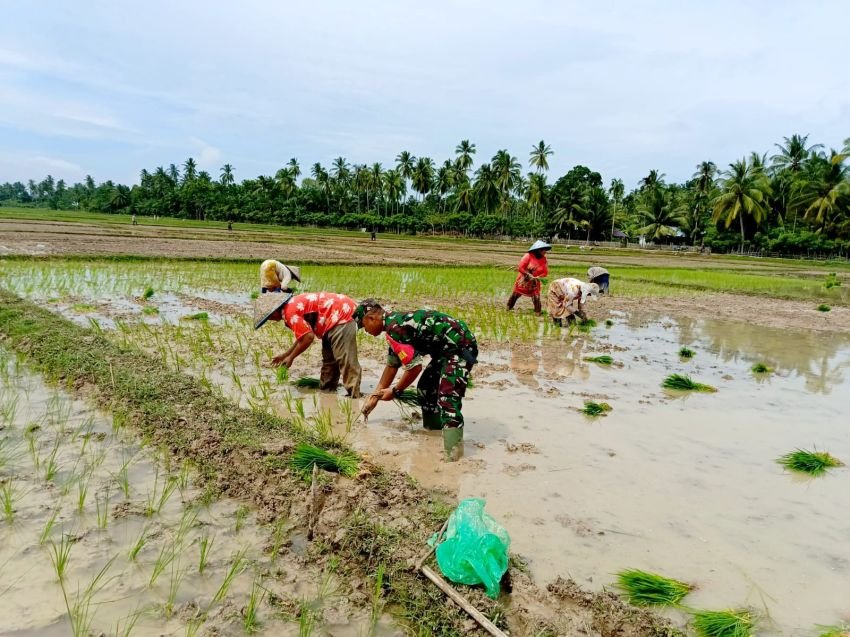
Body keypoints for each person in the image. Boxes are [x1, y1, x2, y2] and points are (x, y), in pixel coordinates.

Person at [355, 299, 477, 460]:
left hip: (459, 347)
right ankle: (433, 431)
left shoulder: (394, 328)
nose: (366, 331)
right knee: (426, 389)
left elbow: (414, 368)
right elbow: (392, 366)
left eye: (364, 326)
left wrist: (395, 391)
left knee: (448, 399)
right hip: (444, 351)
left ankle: (454, 457)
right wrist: (374, 397)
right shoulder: (393, 325)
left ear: (372, 318)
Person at [254, 288, 362, 398]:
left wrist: (291, 357)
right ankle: (327, 392)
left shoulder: (289, 313)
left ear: (274, 311)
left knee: (345, 358)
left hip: (340, 313)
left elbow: (308, 338)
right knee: (329, 360)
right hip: (329, 320)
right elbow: (302, 336)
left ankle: (354, 395)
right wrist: (286, 355)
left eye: (269, 317)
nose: (270, 319)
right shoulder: (290, 307)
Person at [507, 240, 551, 315]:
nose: (545, 251)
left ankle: (538, 312)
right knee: (516, 294)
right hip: (523, 281)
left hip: (534, 282)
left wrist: (539, 277)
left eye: (545, 250)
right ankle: (508, 308)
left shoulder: (543, 259)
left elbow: (545, 272)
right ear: (538, 250)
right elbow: (520, 268)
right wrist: (529, 275)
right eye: (543, 250)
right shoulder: (528, 256)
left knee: (536, 296)